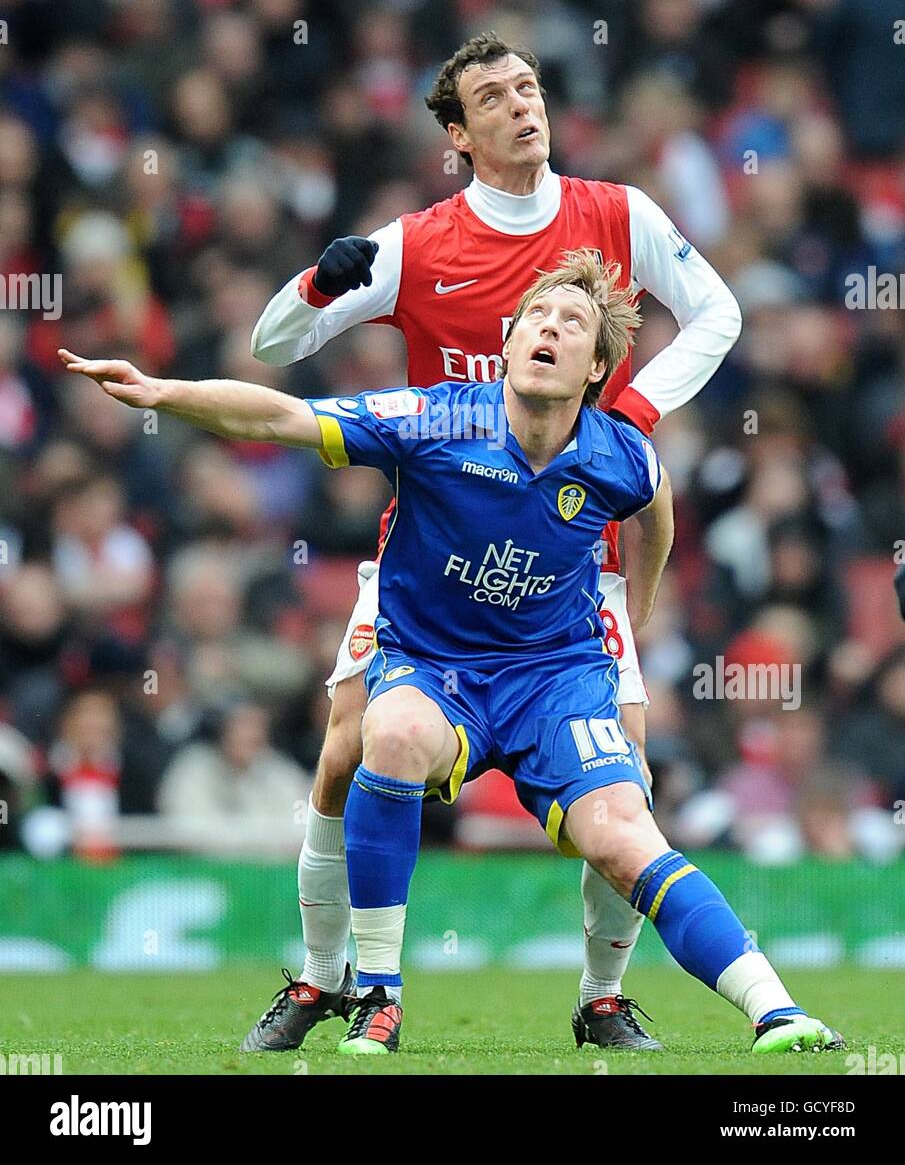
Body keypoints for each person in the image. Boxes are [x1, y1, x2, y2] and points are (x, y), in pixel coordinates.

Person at [57, 253, 842, 1060]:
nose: (549, 328)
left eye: (572, 324)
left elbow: (658, 513)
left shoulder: (622, 456)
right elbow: (280, 417)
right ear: (506, 343)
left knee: (625, 830)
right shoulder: (434, 419)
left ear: (598, 366)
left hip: (555, 683)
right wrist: (162, 393)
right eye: (537, 317)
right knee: (383, 735)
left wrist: (632, 614)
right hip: (436, 671)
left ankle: (774, 1011)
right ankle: (377, 995)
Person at [246, 31, 743, 1051]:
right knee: (345, 749)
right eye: (494, 95)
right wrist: (313, 285)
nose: (523, 104)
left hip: (569, 555)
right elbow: (271, 349)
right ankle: (321, 978)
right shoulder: (418, 243)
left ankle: (600, 997)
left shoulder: (617, 214)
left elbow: (717, 313)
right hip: (428, 560)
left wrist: (632, 417)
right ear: (455, 133)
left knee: (627, 775)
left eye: (528, 85)